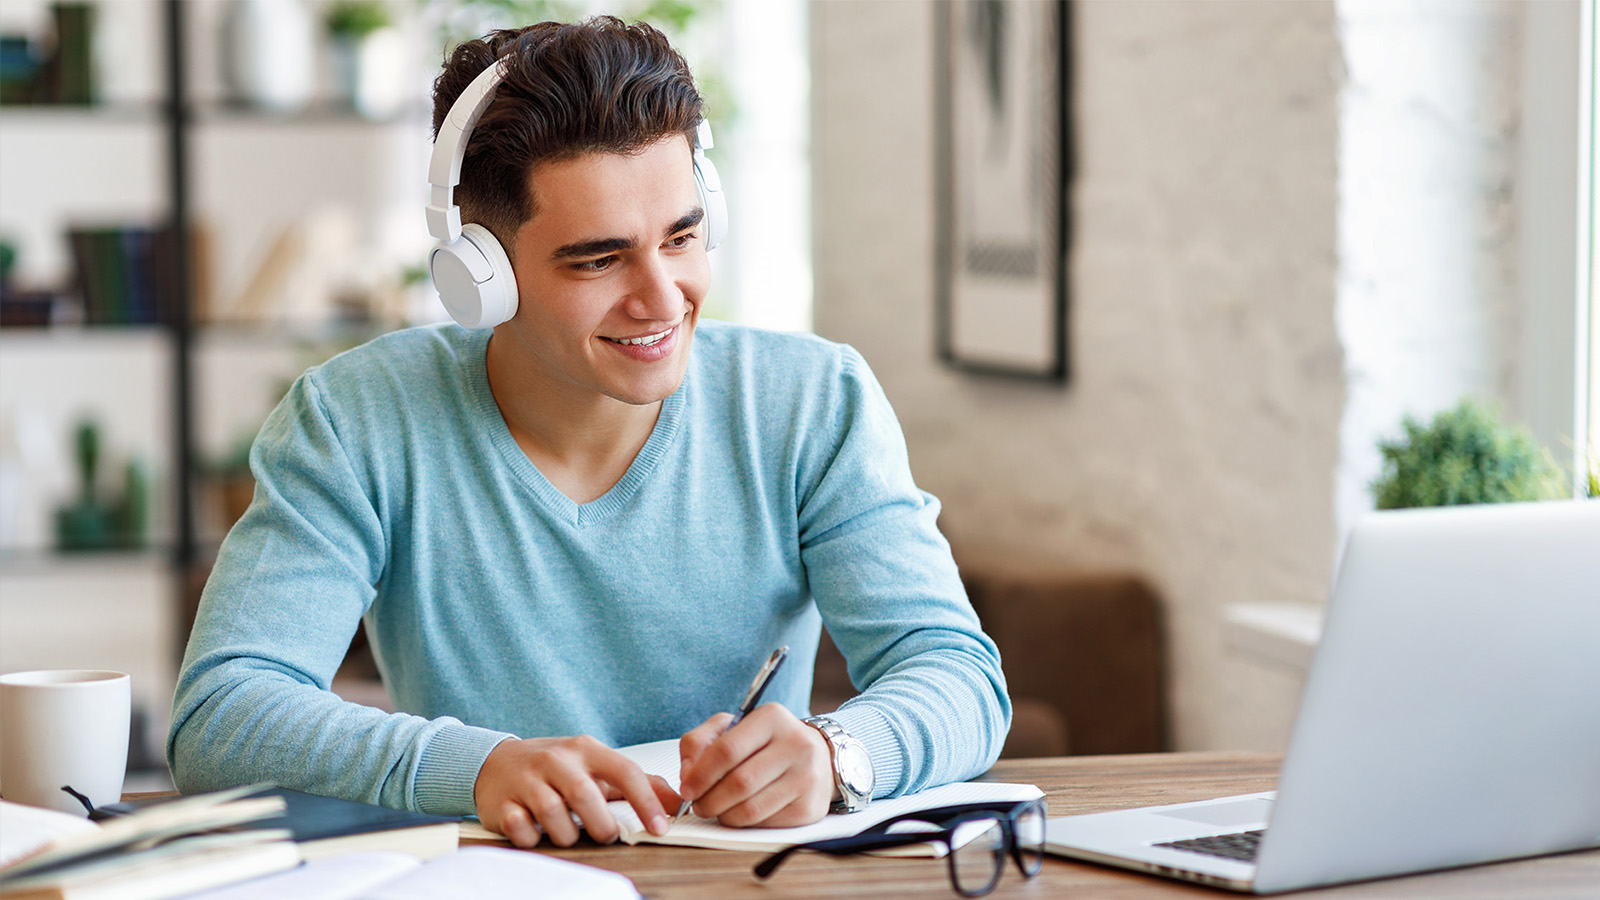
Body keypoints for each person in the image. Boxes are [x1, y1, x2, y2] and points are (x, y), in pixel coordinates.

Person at [167, 17, 1009, 848]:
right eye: (598, 259)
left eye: (682, 237)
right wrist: (480, 767)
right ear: (480, 275)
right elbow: (223, 717)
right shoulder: (357, 421)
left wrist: (839, 754)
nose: (662, 296)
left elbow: (957, 673)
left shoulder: (813, 401)